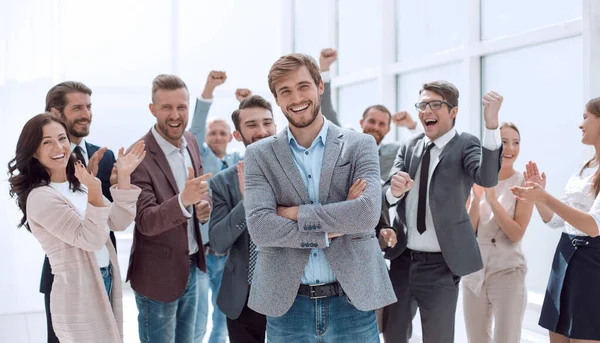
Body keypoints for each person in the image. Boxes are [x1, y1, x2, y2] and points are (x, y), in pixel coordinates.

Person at [244, 53, 396, 342]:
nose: (296, 97)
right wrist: (331, 230)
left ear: (319, 86)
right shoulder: (258, 155)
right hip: (287, 305)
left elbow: (366, 214)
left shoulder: (359, 145)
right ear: (276, 99)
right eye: (285, 91)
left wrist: (294, 213)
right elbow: (261, 228)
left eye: (303, 86)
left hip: (352, 299)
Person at [379, 81, 503, 343]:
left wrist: (491, 126)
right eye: (422, 105)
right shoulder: (409, 146)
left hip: (441, 268)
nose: (426, 111)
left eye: (435, 104)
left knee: (438, 338)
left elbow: (488, 178)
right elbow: (387, 193)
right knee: (392, 336)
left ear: (453, 111)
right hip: (401, 261)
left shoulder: (466, 144)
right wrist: (395, 191)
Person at [8, 113, 144, 343]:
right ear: (33, 151)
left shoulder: (79, 185)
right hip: (77, 290)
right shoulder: (40, 197)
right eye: (46, 142)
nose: (58, 146)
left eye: (61, 138)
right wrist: (94, 189)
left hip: (105, 277)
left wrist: (123, 176)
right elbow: (90, 239)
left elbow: (118, 222)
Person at [126, 74, 212, 343]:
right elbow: (145, 221)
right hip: (157, 276)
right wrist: (184, 200)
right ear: (153, 110)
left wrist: (201, 207)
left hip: (191, 267)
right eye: (166, 108)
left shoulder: (191, 142)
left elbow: (194, 195)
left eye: (181, 107)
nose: (175, 115)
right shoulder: (137, 156)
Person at [510, 97, 600, 342]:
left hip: (592, 264)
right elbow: (556, 222)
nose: (580, 125)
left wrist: (545, 197)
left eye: (585, 117)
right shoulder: (584, 166)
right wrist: (538, 196)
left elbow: (593, 226)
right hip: (564, 258)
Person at [41, 81, 118, 343]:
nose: (86, 114)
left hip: (105, 271)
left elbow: (113, 220)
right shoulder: (39, 162)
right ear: (55, 113)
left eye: (88, 106)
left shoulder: (104, 157)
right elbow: (37, 224)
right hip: (66, 278)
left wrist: (121, 187)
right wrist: (82, 191)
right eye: (77, 107)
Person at [207, 94, 277, 343]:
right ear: (237, 135)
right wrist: (247, 204)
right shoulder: (223, 182)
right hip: (243, 298)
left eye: (267, 123)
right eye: (252, 125)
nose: (262, 131)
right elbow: (217, 243)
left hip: (292, 295)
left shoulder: (300, 173)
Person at [462, 122, 533, 342]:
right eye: (503, 142)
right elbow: (469, 231)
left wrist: (492, 201)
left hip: (508, 272)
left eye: (516, 142)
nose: (510, 148)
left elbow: (516, 234)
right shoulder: (474, 180)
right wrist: (476, 198)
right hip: (474, 274)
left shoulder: (524, 183)